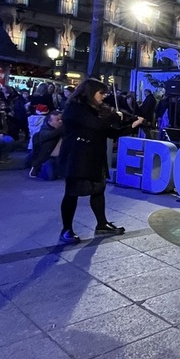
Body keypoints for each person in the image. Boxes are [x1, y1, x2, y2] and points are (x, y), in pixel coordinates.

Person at [58, 79, 143, 244]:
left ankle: (102, 224)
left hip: (95, 157)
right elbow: (96, 125)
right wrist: (114, 115)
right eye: (101, 93)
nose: (104, 97)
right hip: (77, 157)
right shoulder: (76, 108)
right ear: (90, 92)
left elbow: (111, 133)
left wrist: (133, 125)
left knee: (98, 191)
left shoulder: (96, 110)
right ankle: (66, 229)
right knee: (72, 193)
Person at [28, 110, 64, 179]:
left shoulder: (61, 130)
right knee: (50, 175)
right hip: (47, 158)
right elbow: (50, 135)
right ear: (50, 122)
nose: (60, 122)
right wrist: (62, 129)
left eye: (61, 119)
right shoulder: (44, 131)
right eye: (57, 120)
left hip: (60, 157)